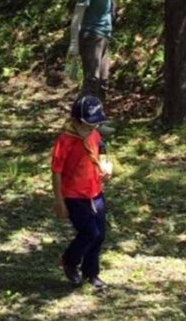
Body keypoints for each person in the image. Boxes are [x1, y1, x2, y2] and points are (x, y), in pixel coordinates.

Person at [68, 0, 163, 102]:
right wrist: (74, 43)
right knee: (92, 81)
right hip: (91, 37)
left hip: (104, 36)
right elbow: (77, 17)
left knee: (103, 80)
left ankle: (98, 112)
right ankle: (85, 114)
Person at [51, 95, 112, 288]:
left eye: (96, 124)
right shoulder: (65, 140)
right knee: (89, 232)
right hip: (74, 195)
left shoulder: (94, 134)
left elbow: (101, 150)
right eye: (88, 125)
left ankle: (91, 272)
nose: (93, 128)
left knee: (100, 234)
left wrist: (106, 165)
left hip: (95, 191)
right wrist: (59, 201)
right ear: (76, 121)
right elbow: (56, 172)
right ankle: (70, 260)